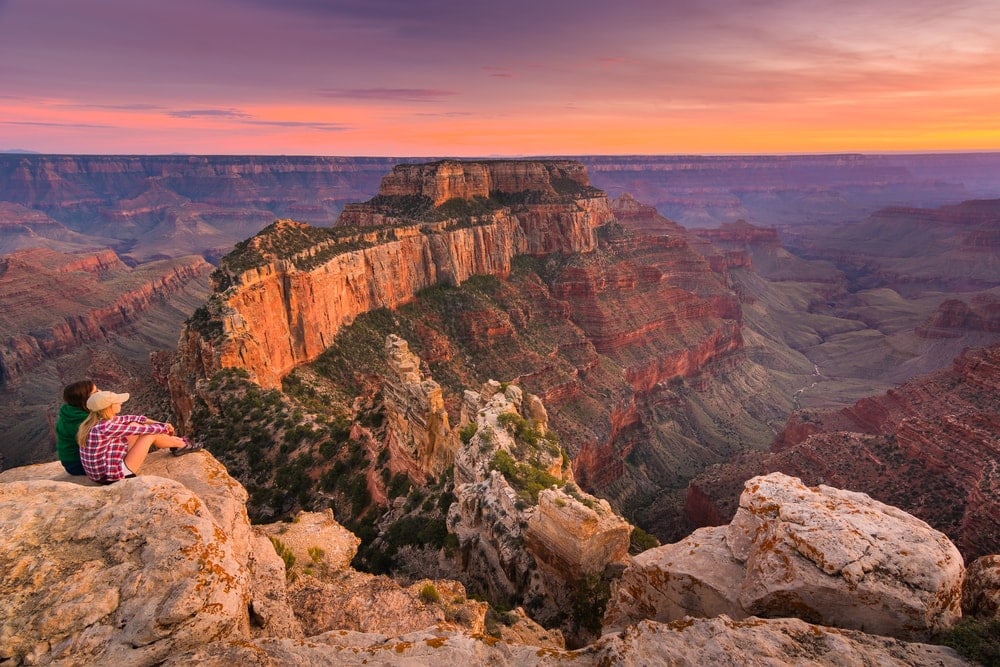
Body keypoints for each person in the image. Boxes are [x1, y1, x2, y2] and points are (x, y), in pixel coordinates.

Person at [77, 390, 203, 484]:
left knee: (134, 424)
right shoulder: (104, 428)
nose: (121, 402)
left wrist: (160, 424)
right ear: (109, 407)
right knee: (149, 434)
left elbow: (132, 419)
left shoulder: (98, 420)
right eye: (117, 401)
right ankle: (181, 445)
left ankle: (178, 443)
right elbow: (144, 430)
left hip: (103, 470)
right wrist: (165, 428)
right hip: (110, 476)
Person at [55, 380, 97, 476]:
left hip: (70, 462)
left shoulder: (69, 411)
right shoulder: (82, 421)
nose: (101, 392)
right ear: (85, 398)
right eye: (95, 392)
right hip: (77, 465)